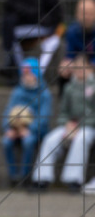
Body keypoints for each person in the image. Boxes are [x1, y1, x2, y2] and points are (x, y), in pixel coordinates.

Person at [32, 56, 95, 192]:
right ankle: (41, 178)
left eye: (82, 68)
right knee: (50, 139)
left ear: (90, 69)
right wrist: (66, 124)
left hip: (90, 127)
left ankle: (73, 180)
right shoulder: (69, 88)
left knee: (81, 139)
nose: (79, 71)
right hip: (70, 125)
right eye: (76, 68)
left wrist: (79, 126)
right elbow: (63, 112)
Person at [0, 0, 62, 81]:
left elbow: (53, 13)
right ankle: (17, 68)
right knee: (8, 25)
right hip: (23, 29)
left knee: (10, 32)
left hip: (43, 27)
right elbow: (9, 8)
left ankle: (13, 66)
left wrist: (29, 14)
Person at [1, 58, 52, 187]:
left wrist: (30, 129)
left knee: (28, 142)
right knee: (6, 142)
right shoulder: (17, 92)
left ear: (36, 74)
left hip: (35, 130)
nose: (26, 77)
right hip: (16, 128)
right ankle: (13, 176)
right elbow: (8, 112)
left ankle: (24, 176)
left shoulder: (44, 94)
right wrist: (9, 128)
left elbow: (44, 118)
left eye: (29, 74)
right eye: (24, 74)